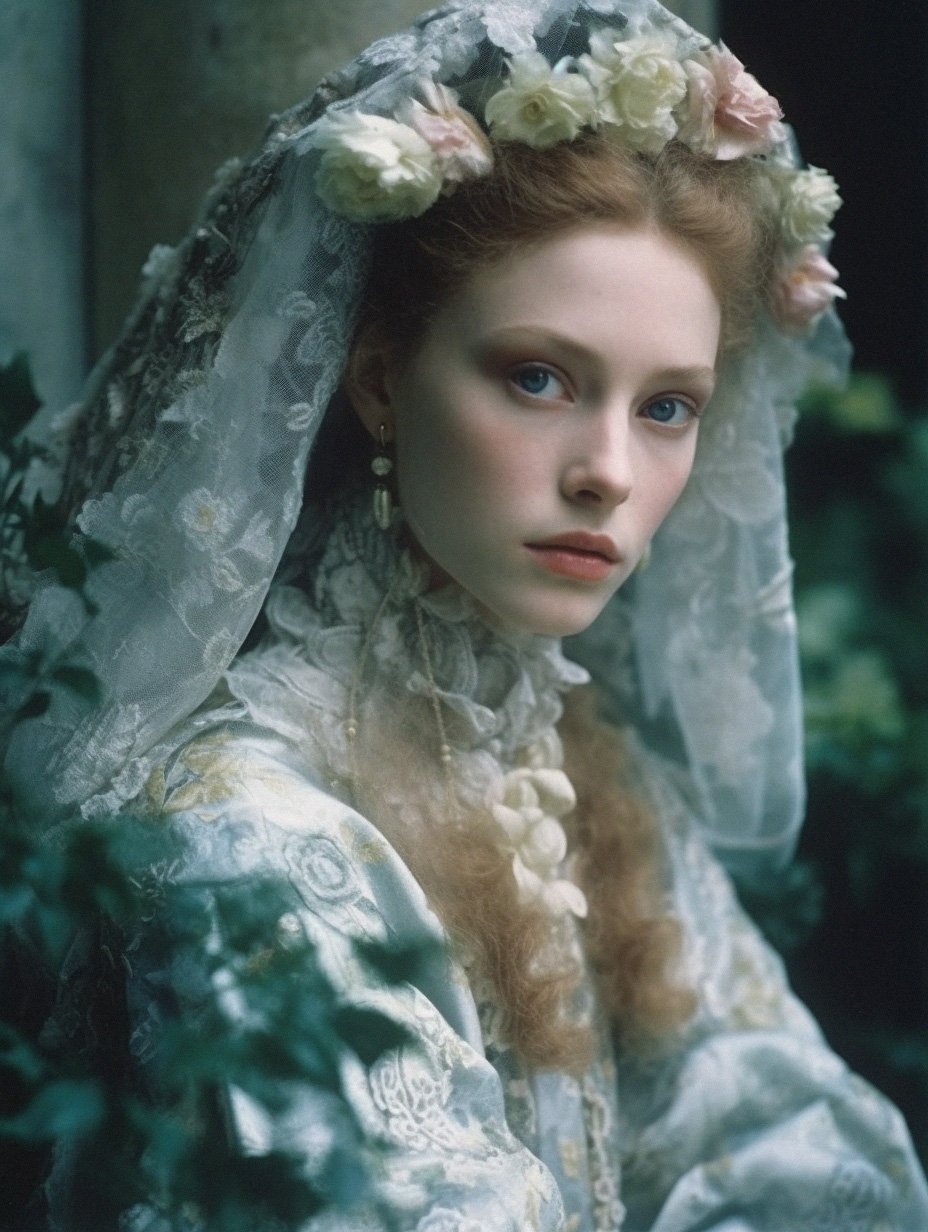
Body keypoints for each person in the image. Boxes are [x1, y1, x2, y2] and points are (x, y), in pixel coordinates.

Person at [5, 0, 928, 1227]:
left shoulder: (580, 774)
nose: (608, 471)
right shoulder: (243, 836)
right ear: (381, 380)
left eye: (666, 406)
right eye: (537, 377)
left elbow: (782, 1135)